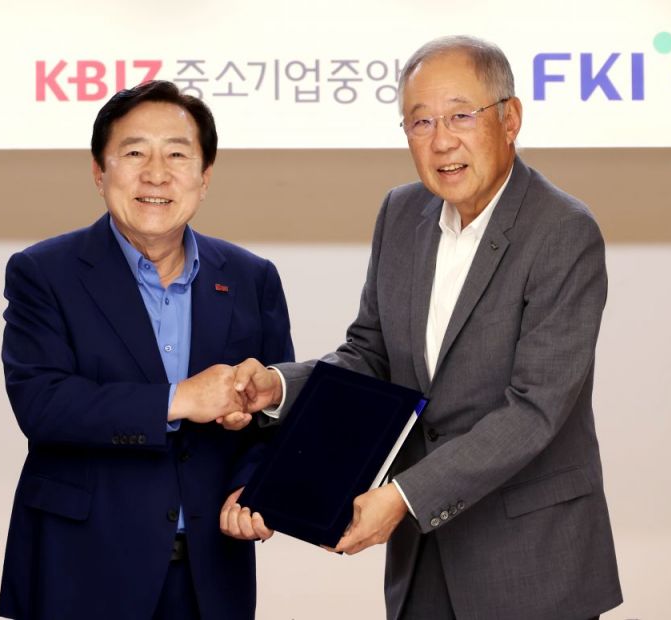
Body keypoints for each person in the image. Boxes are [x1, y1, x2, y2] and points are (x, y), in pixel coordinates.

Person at [222, 36, 622, 619]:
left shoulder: (563, 230)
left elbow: (535, 409)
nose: (441, 140)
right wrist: (278, 388)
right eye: (420, 121)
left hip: (530, 562)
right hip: (422, 563)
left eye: (461, 116)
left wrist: (404, 497)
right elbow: (370, 356)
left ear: (510, 118)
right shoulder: (401, 212)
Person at [0, 80, 294, 620]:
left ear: (204, 177)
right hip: (80, 570)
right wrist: (180, 399)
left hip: (210, 575)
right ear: (99, 172)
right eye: (134, 153)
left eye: (177, 155)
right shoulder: (44, 272)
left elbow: (275, 413)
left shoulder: (251, 277)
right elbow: (42, 404)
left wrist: (253, 484)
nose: (156, 174)